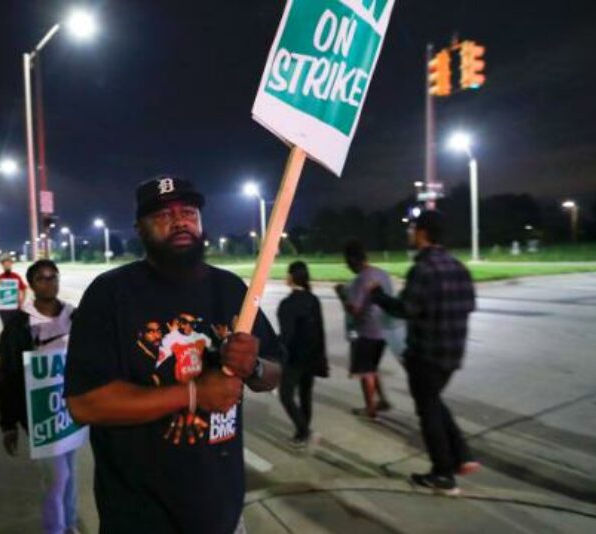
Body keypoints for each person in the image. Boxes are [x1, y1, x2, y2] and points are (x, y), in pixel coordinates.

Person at [64, 176, 283, 534]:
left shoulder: (229, 289)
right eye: (162, 214)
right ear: (140, 228)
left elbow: (274, 371)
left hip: (222, 512)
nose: (179, 220)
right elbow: (85, 403)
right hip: (139, 515)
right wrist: (194, 393)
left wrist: (253, 366)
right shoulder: (110, 294)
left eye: (188, 212)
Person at [370, 210, 479, 495]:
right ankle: (463, 454)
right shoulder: (459, 267)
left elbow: (405, 309)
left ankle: (442, 473)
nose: (410, 233)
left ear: (422, 233)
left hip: (426, 354)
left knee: (427, 411)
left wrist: (377, 296)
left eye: (413, 229)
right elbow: (467, 306)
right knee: (434, 401)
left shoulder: (424, 269)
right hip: (452, 354)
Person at [0, 259, 79, 534]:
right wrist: (8, 424)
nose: (49, 282)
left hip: (72, 410)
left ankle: (69, 524)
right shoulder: (19, 325)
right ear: (31, 284)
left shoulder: (73, 316)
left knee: (70, 472)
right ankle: (54, 529)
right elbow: (6, 375)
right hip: (39, 413)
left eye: (53, 277)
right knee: (57, 477)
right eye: (42, 278)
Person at [334, 240, 394, 420]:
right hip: (384, 331)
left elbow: (355, 310)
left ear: (353, 260)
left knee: (365, 372)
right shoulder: (382, 274)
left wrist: (342, 296)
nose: (347, 266)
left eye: (347, 262)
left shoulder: (362, 278)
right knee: (372, 368)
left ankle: (371, 409)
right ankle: (382, 400)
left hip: (367, 332)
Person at [277, 261, 329, 448]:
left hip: (295, 358)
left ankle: (304, 431)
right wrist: (322, 358)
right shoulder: (313, 300)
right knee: (305, 395)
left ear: (291, 277)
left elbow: (286, 336)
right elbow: (320, 331)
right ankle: (303, 430)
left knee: (286, 395)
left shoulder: (287, 304)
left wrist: (277, 355)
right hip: (312, 355)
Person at [0, 256, 28, 327]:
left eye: (9, 264)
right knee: (6, 328)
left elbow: (24, 289)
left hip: (16, 307)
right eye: (5, 265)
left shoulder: (16, 276)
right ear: (2, 266)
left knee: (17, 328)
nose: (7, 266)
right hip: (4, 308)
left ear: (11, 265)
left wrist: (22, 301)